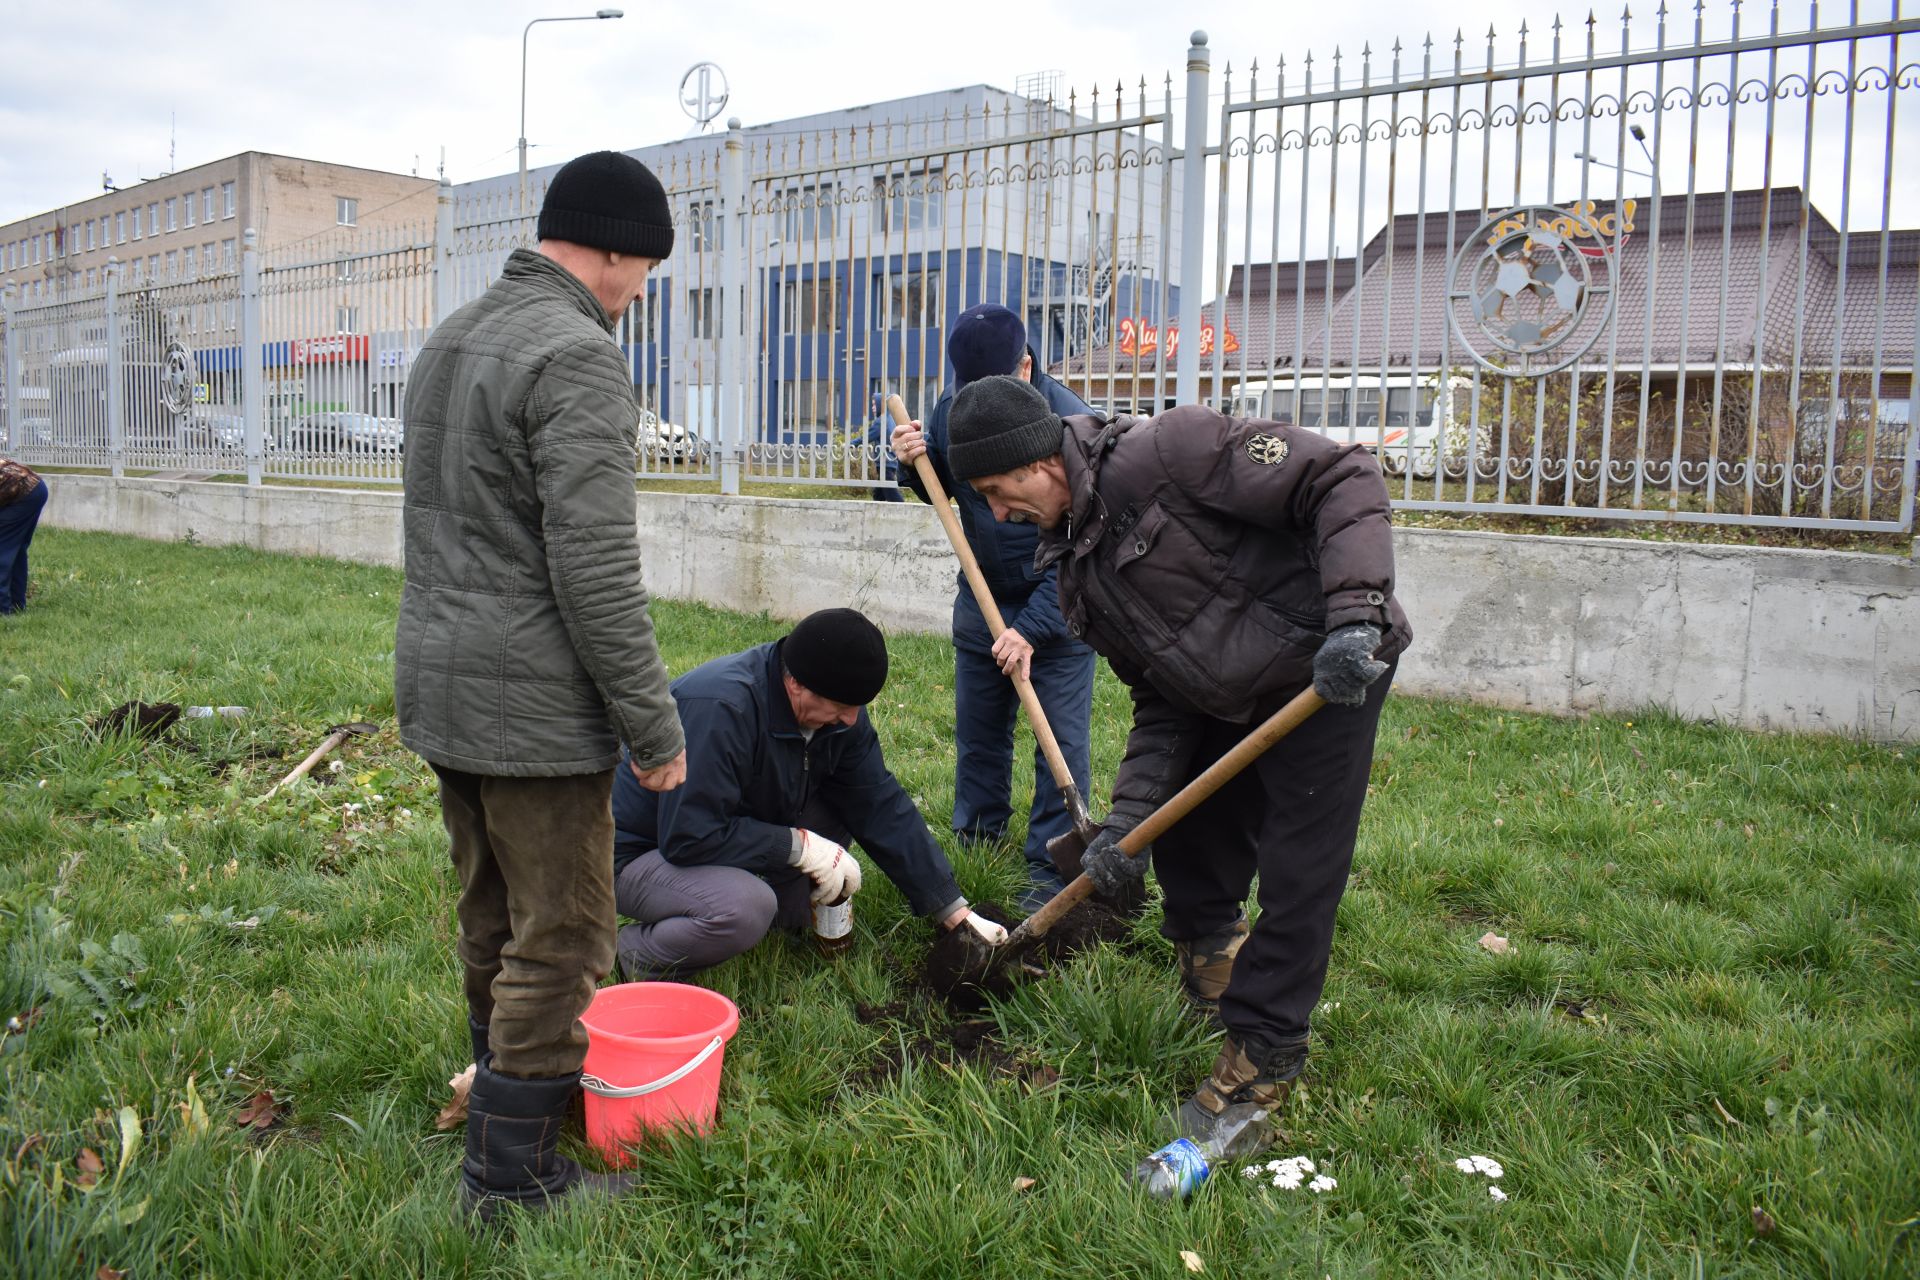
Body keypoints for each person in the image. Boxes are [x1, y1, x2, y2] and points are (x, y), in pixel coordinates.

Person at [918, 373, 1412, 1144]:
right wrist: (1127, 826)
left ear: (1039, 460)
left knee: (1298, 869)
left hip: (1324, 668)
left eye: (994, 489)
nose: (996, 512)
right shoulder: (1077, 578)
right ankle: (1215, 964)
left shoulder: (1170, 453)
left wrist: (1355, 614)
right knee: (1190, 836)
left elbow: (1339, 473)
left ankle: (1264, 1057)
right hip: (1220, 692)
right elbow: (1160, 704)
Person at [394, 151, 688, 1223]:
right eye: (643, 265)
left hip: (442, 686)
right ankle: (511, 1177)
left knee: (493, 912)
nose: (641, 287)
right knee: (563, 931)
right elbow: (596, 570)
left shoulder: (453, 334)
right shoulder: (576, 355)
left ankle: (502, 1104)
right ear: (609, 247)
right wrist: (653, 726)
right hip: (531, 709)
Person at [609, 607, 1005, 978]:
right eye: (840, 705)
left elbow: (878, 802)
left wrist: (954, 911)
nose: (851, 719)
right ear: (795, 682)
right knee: (745, 907)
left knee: (839, 806)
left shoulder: (837, 712)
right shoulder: (721, 708)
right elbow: (689, 836)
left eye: (858, 706)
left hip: (714, 828)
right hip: (636, 853)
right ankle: (630, 955)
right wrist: (797, 846)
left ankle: (782, 923)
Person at [890, 304, 1097, 911]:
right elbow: (942, 489)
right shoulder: (955, 409)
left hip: (1060, 598)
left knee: (1059, 736)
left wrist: (1031, 629)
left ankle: (1048, 863)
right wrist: (912, 464)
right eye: (963, 391)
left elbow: (1085, 555)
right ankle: (976, 841)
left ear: (1026, 367)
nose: (969, 403)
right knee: (979, 733)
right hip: (980, 595)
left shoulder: (1073, 428)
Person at [0, 458, 48, 615]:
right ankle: (17, 605)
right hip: (36, 488)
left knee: (3, 550)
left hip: (23, 494)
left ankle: (3, 609)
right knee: (16, 549)